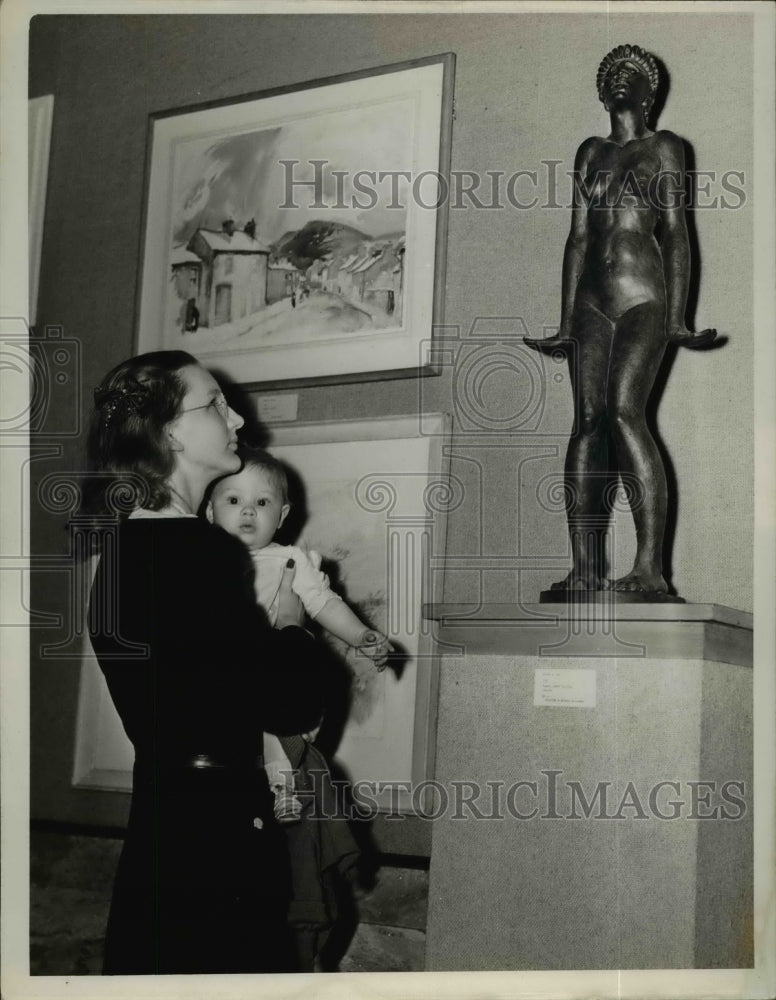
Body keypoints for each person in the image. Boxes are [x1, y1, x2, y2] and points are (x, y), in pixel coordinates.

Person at [85, 350, 324, 975]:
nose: (237, 419)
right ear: (169, 432)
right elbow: (290, 704)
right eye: (215, 404)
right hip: (219, 837)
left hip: (164, 822)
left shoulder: (122, 548)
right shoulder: (202, 553)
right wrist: (294, 623)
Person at [525, 44, 716, 596]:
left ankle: (649, 567)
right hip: (591, 301)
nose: (617, 80)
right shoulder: (589, 152)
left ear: (648, 90)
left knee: (624, 413)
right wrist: (564, 322)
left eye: (629, 74)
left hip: (643, 299)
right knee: (587, 422)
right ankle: (585, 567)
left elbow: (677, 233)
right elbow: (578, 237)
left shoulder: (665, 147)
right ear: (601, 90)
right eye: (609, 74)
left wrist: (678, 317)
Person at [207, 447, 389, 968]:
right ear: (209, 509)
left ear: (281, 516)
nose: (247, 511)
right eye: (233, 499)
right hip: (223, 689)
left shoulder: (288, 561)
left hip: (275, 679)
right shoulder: (203, 560)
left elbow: (325, 605)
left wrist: (362, 637)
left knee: (272, 718)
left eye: (262, 502)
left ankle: (283, 783)